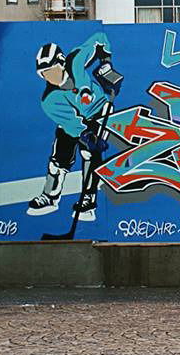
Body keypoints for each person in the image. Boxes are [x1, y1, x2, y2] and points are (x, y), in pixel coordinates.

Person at [27, 33, 121, 221]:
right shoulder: (50, 100)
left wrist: (106, 63)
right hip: (74, 123)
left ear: (61, 63)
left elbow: (100, 38)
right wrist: (87, 135)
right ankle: (50, 196)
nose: (49, 76)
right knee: (59, 157)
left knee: (89, 155)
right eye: (44, 73)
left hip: (100, 111)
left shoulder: (76, 60)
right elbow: (73, 124)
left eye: (51, 70)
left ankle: (88, 198)